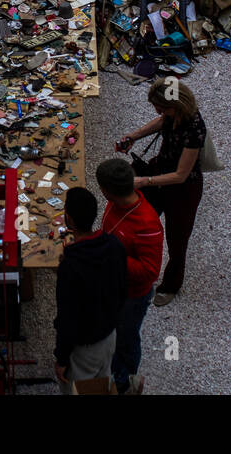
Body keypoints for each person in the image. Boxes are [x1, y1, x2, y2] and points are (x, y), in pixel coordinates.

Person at [115, 78, 207, 306]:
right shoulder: (171, 114)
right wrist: (134, 136)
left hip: (183, 192)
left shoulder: (194, 128)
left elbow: (181, 175)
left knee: (177, 241)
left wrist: (144, 181)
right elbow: (160, 121)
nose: (158, 111)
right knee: (136, 222)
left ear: (175, 105)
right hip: (159, 173)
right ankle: (132, 269)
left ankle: (171, 286)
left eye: (162, 108)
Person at [96, 157, 163, 395]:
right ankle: (114, 374)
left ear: (106, 191)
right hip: (115, 286)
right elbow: (109, 233)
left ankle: (125, 384)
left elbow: (150, 271)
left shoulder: (147, 224)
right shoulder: (115, 203)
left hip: (132, 296)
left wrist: (110, 255)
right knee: (114, 335)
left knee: (126, 338)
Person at [54, 186, 126, 394]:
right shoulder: (114, 245)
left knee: (78, 389)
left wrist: (61, 358)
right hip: (109, 337)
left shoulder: (71, 267)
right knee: (101, 386)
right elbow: (123, 290)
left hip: (85, 348)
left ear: (69, 219)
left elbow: (68, 319)